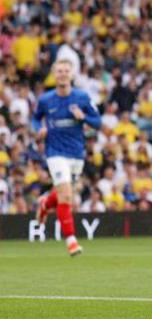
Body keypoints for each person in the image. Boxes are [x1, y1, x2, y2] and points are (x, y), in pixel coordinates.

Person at [31, 58, 102, 257]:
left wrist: (84, 117)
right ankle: (71, 241)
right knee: (67, 197)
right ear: (54, 75)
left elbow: (98, 122)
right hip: (54, 152)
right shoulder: (45, 100)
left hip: (76, 153)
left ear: (71, 75)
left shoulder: (82, 97)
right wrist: (40, 129)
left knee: (64, 194)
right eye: (59, 71)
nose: (62, 74)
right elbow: (35, 118)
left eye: (65, 71)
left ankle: (46, 203)